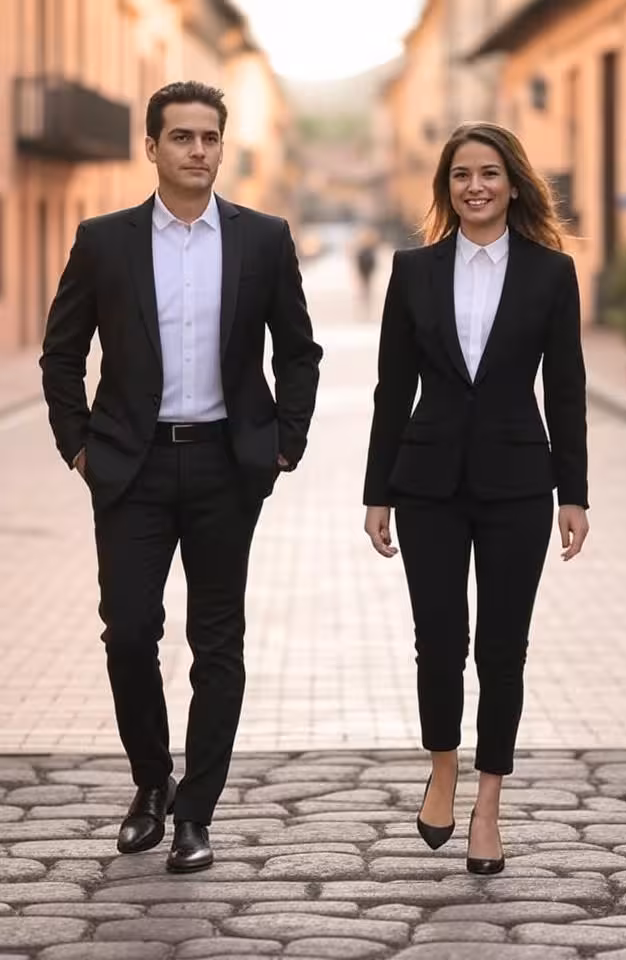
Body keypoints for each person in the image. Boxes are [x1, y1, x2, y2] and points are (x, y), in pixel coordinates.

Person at [40, 81, 322, 873]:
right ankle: (150, 782)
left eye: (209, 137)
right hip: (130, 467)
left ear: (221, 146)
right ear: (153, 147)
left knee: (217, 641)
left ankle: (196, 812)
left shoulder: (263, 239)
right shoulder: (105, 240)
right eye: (182, 137)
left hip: (228, 466)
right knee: (129, 632)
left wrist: (282, 445)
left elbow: (297, 352)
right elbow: (62, 353)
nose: (198, 150)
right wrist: (78, 446)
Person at [363, 122, 589, 875]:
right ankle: (444, 764)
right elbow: (392, 387)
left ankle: (489, 804)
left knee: (501, 648)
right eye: (461, 175)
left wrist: (574, 492)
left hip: (519, 485)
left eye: (488, 173)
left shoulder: (551, 273)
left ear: (513, 184)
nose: (475, 187)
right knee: (438, 642)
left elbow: (566, 389)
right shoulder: (413, 268)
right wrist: (377, 493)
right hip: (426, 484)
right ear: (446, 187)